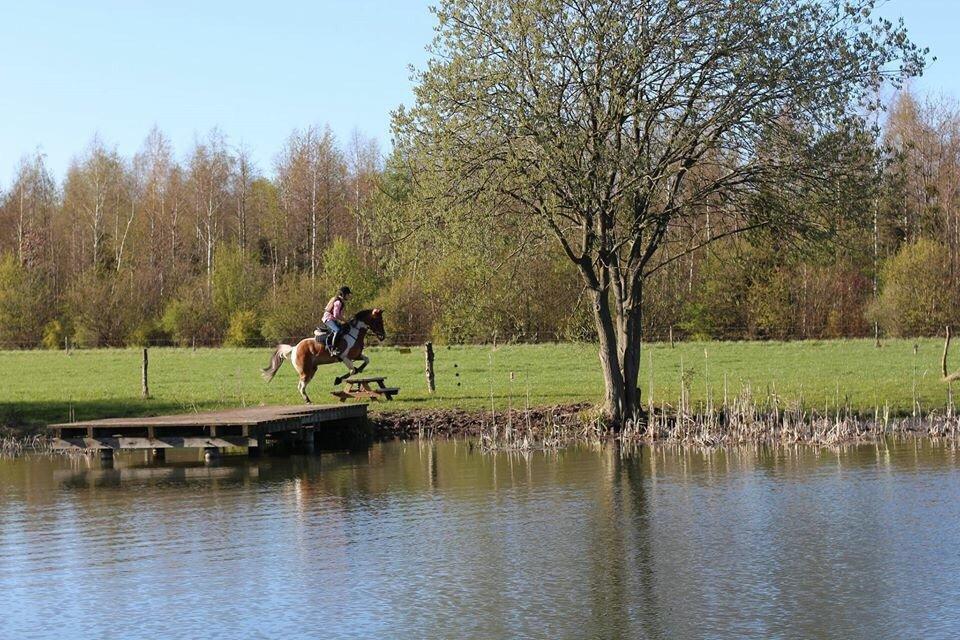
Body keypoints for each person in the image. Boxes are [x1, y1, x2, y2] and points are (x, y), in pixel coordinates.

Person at [320, 286, 351, 355]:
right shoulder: (338, 302)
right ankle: (333, 349)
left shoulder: (339, 301)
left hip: (332, 319)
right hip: (328, 319)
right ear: (344, 294)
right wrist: (345, 320)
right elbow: (336, 315)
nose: (349, 296)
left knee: (344, 328)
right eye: (348, 294)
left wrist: (345, 320)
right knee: (337, 330)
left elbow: (339, 315)